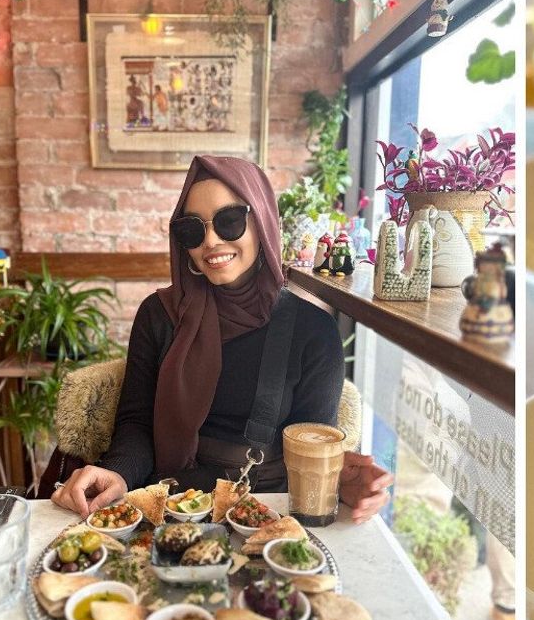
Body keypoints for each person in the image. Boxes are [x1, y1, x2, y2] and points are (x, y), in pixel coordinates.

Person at [51, 155, 392, 521]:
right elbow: (137, 423)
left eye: (229, 221)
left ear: (261, 221)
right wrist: (117, 471)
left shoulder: (312, 330)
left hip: (266, 510)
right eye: (191, 230)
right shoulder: (160, 315)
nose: (211, 240)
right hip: (172, 502)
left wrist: (339, 482)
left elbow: (312, 443)